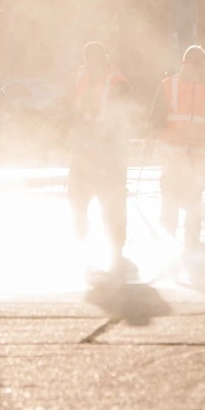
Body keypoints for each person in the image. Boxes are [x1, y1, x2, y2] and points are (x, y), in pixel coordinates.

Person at [145, 45, 205, 248]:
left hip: (198, 154)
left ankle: (192, 239)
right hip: (172, 152)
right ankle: (167, 236)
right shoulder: (169, 85)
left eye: (200, 63)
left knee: (194, 196)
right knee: (170, 194)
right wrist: (148, 143)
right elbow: (156, 117)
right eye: (192, 63)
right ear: (184, 63)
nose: (196, 67)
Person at [62, 41, 133, 276]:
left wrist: (103, 137)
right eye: (87, 59)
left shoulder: (117, 82)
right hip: (84, 149)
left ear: (104, 58)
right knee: (78, 198)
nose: (90, 64)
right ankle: (79, 243)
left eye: (95, 60)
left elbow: (120, 116)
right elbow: (69, 105)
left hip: (110, 151)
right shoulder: (79, 75)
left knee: (111, 200)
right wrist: (72, 128)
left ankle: (116, 249)